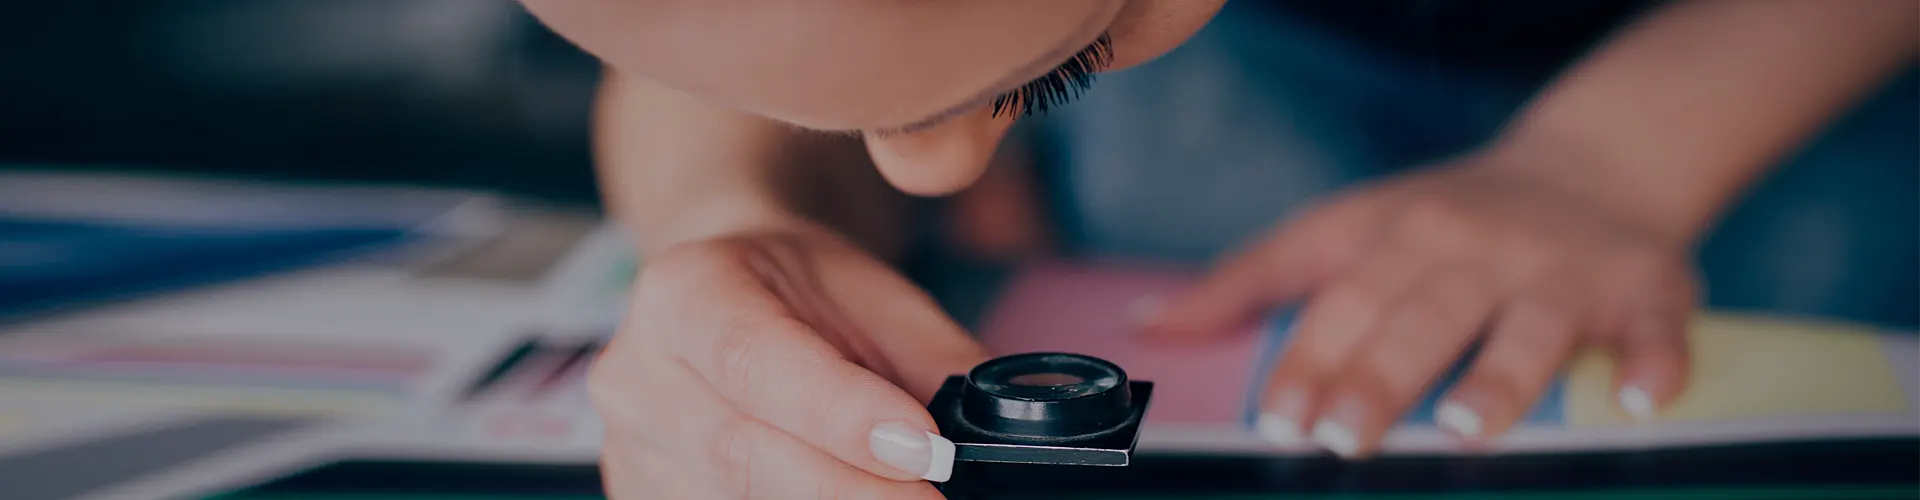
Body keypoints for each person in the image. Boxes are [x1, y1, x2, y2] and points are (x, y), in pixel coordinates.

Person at [516, 0, 1918, 497]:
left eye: (1053, 71)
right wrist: (736, 215)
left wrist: (1610, 162)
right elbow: (710, 64)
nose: (936, 172)